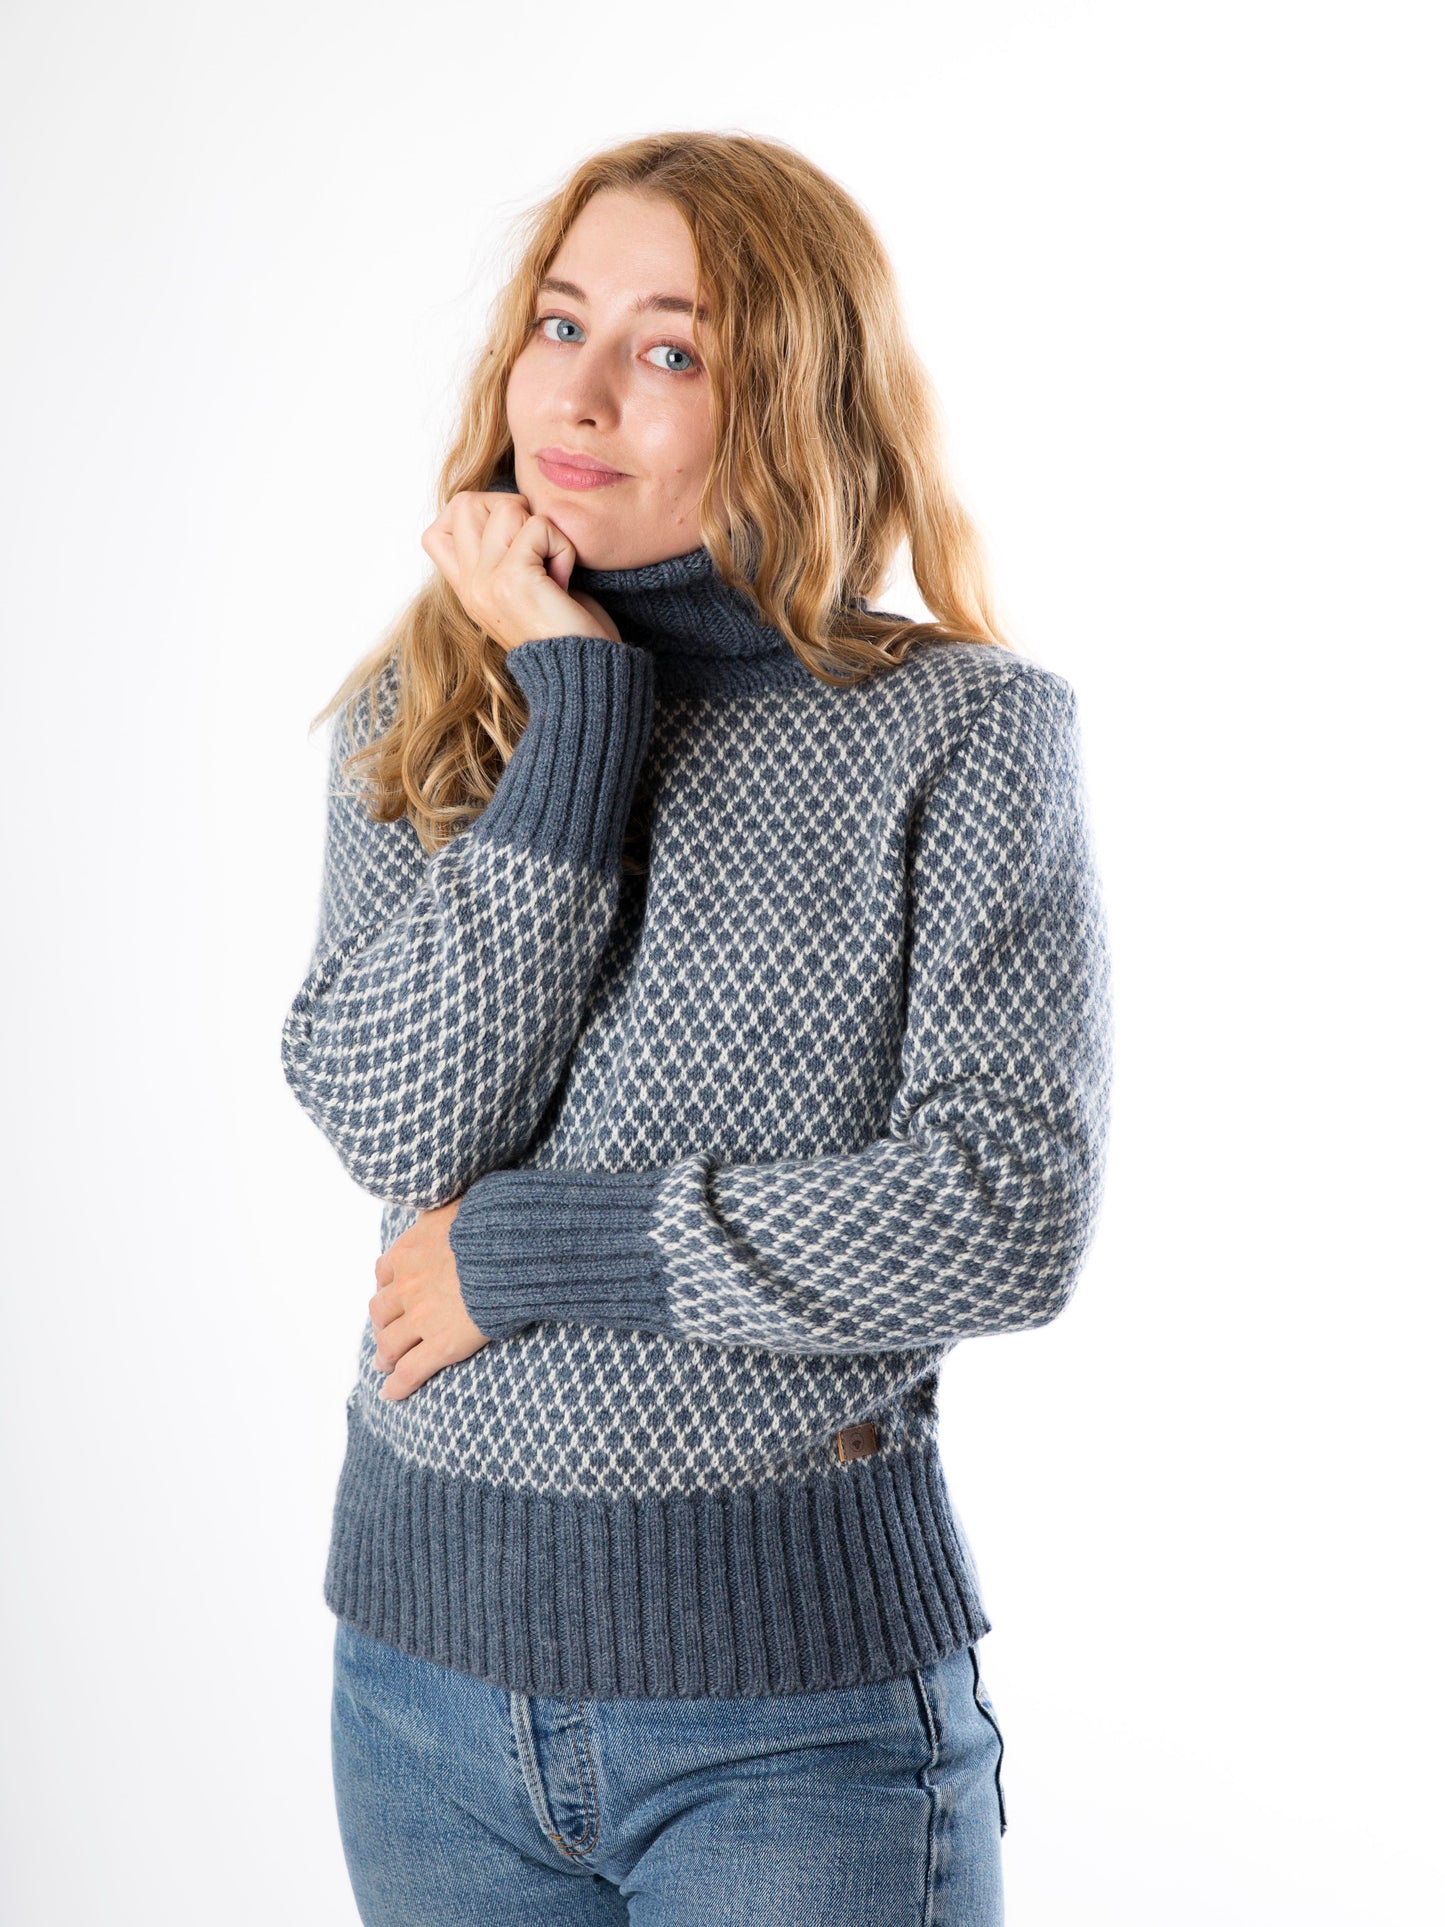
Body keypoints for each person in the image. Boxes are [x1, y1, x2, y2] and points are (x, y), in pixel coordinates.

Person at [282, 129, 1113, 1926]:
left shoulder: (959, 733)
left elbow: (1006, 1208)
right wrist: (575, 704)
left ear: (795, 398)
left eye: (668, 349)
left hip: (790, 1726)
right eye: (558, 322)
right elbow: (396, 1127)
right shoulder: (421, 711)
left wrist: (537, 1249)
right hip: (417, 1696)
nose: (578, 394)